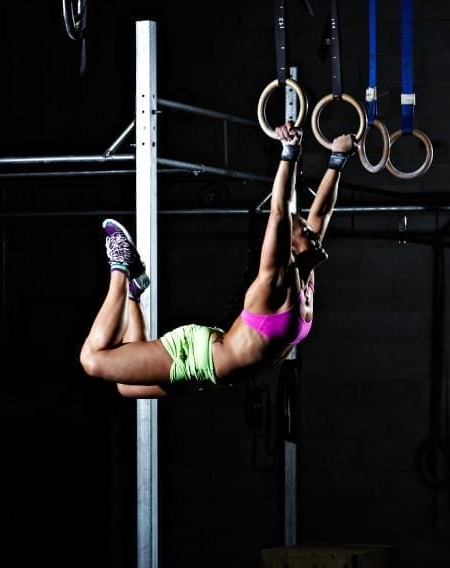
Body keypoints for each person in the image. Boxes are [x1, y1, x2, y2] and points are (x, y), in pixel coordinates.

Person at [79, 122, 355, 398]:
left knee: (121, 380)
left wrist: (337, 160)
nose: (314, 233)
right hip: (202, 360)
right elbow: (280, 212)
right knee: (98, 364)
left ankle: (132, 285)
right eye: (306, 231)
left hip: (207, 366)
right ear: (290, 248)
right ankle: (123, 268)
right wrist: (293, 151)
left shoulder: (303, 274)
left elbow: (322, 212)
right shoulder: (277, 282)